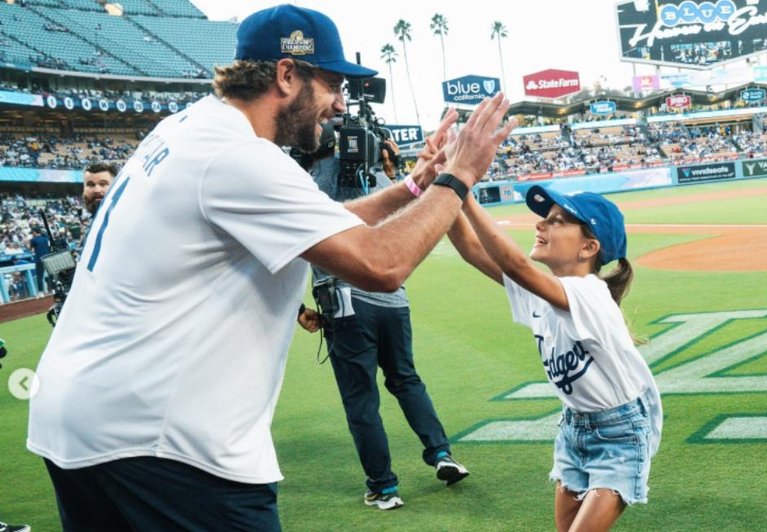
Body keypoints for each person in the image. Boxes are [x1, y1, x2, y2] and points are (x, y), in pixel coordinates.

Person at [27, 4, 516, 530]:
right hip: (159, 442)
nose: (339, 104)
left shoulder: (194, 130)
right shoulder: (238, 157)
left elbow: (323, 223)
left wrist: (415, 186)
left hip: (87, 424)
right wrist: (462, 173)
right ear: (287, 74)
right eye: (331, 84)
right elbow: (382, 263)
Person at [447, 186, 662, 531]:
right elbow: (471, 248)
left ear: (589, 248)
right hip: (574, 427)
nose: (541, 227)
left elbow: (515, 265)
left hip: (620, 434)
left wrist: (463, 190)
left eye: (557, 222)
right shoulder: (544, 292)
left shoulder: (590, 292)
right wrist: (442, 190)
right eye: (544, 220)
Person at [299, 126, 468, 511]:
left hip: (344, 301)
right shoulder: (378, 176)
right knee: (406, 379)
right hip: (393, 300)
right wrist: (391, 171)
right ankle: (442, 453)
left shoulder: (305, 184)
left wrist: (297, 310)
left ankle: (384, 487)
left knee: (361, 399)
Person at [28, 226, 50, 296]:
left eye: (32, 232)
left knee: (39, 276)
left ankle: (41, 292)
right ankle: (52, 289)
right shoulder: (46, 238)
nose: (32, 234)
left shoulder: (33, 240)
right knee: (50, 274)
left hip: (39, 259)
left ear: (34, 232)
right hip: (47, 258)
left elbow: (30, 250)